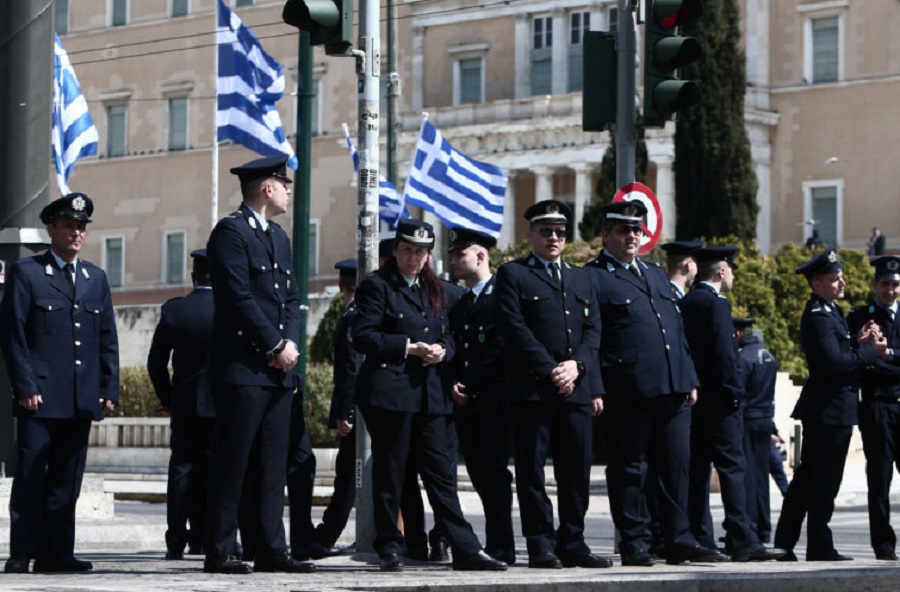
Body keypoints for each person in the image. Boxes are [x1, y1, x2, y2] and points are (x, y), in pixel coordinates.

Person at [352, 219, 506, 573]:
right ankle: (389, 545)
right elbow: (363, 335)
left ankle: (464, 546)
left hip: (429, 395)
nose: (413, 258)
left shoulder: (435, 289)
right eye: (407, 250)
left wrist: (442, 350)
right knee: (391, 472)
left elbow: (451, 335)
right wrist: (407, 347)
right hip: (389, 392)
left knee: (441, 473)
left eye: (420, 252)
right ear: (396, 251)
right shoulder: (378, 286)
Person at [584, 202, 724, 567]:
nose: (632, 236)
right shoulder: (593, 277)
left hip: (673, 385)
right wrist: (595, 386)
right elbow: (591, 337)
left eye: (637, 231)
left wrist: (689, 376)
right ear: (606, 235)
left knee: (678, 467)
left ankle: (678, 539)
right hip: (628, 388)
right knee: (630, 469)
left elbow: (675, 329)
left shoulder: (655, 274)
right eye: (623, 230)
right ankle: (635, 542)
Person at [203, 155, 315, 575]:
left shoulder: (277, 237)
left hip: (277, 370)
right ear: (268, 188)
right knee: (234, 461)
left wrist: (288, 344)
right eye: (284, 184)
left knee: (272, 462)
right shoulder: (230, 233)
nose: (289, 191)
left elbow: (289, 297)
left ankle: (270, 546)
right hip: (244, 368)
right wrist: (272, 344)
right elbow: (237, 298)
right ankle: (220, 548)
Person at [0, 193, 119, 574]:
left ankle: (57, 552)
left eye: (81, 227)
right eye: (69, 225)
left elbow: (106, 338)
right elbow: (13, 334)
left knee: (67, 480)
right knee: (32, 475)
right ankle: (22, 552)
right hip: (39, 395)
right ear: (51, 229)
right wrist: (25, 385)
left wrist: (108, 387)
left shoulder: (95, 278)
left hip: (80, 397)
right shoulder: (27, 272)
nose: (76, 233)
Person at [495, 200, 612, 570]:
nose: (553, 238)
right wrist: (551, 369)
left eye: (560, 232)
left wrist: (577, 367)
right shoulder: (513, 274)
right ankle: (540, 543)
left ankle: (573, 540)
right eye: (545, 231)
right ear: (530, 234)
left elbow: (593, 331)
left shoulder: (582, 278)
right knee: (532, 471)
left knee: (576, 471)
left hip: (574, 389)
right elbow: (515, 330)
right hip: (534, 389)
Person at [774, 249, 889, 561]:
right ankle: (818, 545)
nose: (842, 283)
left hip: (831, 409)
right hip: (829, 411)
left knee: (808, 479)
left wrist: (857, 341)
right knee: (823, 482)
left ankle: (785, 542)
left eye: (840, 277)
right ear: (816, 284)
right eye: (834, 279)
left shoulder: (829, 311)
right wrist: (870, 354)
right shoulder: (819, 316)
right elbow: (834, 364)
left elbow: (840, 350)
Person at [681, 247, 784, 562]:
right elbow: (726, 355)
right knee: (734, 468)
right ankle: (741, 536)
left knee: (697, 471)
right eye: (732, 270)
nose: (733, 277)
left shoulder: (685, 302)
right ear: (721, 271)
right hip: (721, 403)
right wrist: (735, 392)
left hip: (695, 400)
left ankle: (701, 536)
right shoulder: (716, 304)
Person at [447, 226, 515, 565]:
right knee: (478, 472)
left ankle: (502, 543)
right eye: (452, 255)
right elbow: (456, 351)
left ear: (481, 255)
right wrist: (455, 384)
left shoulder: (503, 294)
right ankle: (495, 541)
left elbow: (503, 347)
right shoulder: (460, 305)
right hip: (467, 403)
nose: (454, 261)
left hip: (495, 399)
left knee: (494, 473)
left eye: (460, 254)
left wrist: (470, 385)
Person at [147, 249, 216, 560]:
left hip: (185, 404)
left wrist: (169, 398)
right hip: (222, 406)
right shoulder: (233, 310)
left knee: (182, 471)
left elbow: (155, 364)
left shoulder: (175, 310)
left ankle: (176, 538)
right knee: (217, 471)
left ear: (194, 276)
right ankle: (209, 536)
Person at [847, 255, 900, 560]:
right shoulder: (859, 318)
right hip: (877, 406)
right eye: (885, 284)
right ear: (875, 284)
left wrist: (887, 354)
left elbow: (880, 361)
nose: (889, 291)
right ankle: (883, 546)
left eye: (894, 285)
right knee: (879, 480)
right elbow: (861, 364)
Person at [313, 259, 361, 551]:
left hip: (358, 409)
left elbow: (350, 370)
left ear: (341, 285)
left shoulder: (354, 316)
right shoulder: (361, 313)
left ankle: (328, 534)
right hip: (368, 408)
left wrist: (347, 412)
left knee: (346, 475)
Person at [733, 317, 779, 545]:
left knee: (748, 476)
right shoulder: (768, 356)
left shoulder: (743, 358)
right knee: (761, 476)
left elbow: (738, 392)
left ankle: (749, 527)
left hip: (748, 419)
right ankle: (763, 528)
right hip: (764, 420)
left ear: (739, 334)